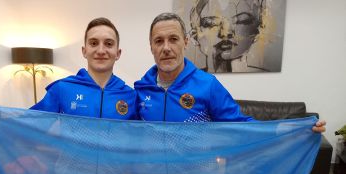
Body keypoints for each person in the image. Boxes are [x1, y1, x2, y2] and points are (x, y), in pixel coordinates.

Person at [134, 12, 326, 132]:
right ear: (151, 46)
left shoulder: (208, 85)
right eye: (158, 41)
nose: (166, 48)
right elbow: (123, 131)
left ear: (185, 42)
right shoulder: (141, 90)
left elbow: (242, 125)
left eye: (173, 39)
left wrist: (296, 128)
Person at [0, 17, 137, 126]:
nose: (101, 50)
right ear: (84, 51)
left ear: (118, 53)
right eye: (93, 43)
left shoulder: (130, 95)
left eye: (108, 44)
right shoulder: (63, 89)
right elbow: (27, 121)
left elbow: (144, 138)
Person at [188, 0, 267, 72]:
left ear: (257, 32)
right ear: (194, 36)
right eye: (211, 23)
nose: (226, 33)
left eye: (241, 21)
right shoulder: (189, 83)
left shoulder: (265, 80)